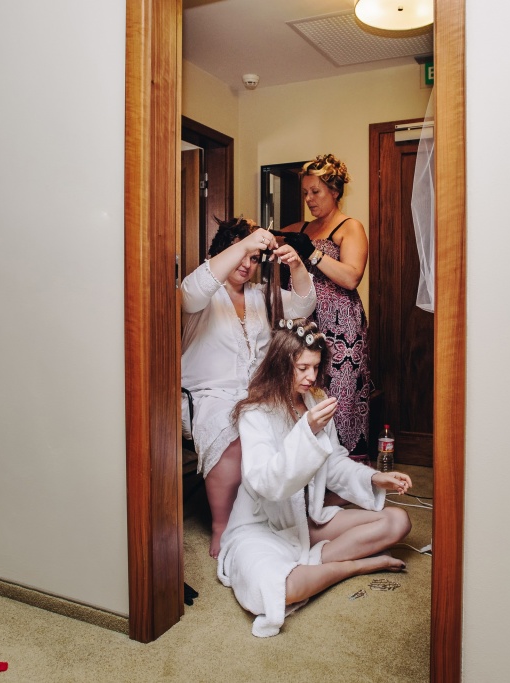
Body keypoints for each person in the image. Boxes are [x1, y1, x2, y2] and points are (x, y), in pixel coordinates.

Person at [218, 318, 412, 637]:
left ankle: (313, 564)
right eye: (303, 368)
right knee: (278, 591)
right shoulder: (256, 414)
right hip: (262, 527)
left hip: (306, 521)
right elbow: (266, 482)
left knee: (397, 521)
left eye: (316, 367)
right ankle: (355, 566)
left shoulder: (315, 401)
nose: (312, 377)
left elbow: (332, 462)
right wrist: (306, 430)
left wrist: (375, 479)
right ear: (281, 366)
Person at [181, 217, 315, 558]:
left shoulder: (260, 295)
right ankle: (222, 524)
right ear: (219, 253)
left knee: (294, 417)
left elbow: (304, 305)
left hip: (255, 393)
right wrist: (247, 243)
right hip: (207, 394)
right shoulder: (202, 292)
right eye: (240, 254)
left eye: (254, 259)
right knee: (231, 430)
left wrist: (297, 265)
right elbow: (189, 294)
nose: (247, 264)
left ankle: (275, 514)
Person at [279, 154, 373, 459]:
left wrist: (313, 254)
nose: (308, 198)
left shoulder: (350, 227)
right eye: (305, 192)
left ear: (334, 191)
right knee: (306, 394)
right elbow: (267, 238)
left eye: (315, 191)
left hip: (342, 329)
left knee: (339, 402)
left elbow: (351, 277)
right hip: (307, 324)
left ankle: (345, 471)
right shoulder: (303, 227)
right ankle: (308, 468)